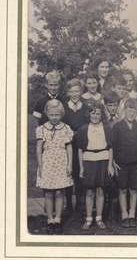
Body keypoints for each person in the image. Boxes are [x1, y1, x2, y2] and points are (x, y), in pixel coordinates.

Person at [36, 99, 74, 234]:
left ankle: (58, 218)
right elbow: (39, 149)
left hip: (61, 163)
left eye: (57, 115)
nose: (54, 118)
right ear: (47, 114)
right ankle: (50, 218)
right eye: (51, 115)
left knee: (59, 192)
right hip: (47, 163)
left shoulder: (66, 128)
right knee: (48, 192)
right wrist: (40, 166)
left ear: (61, 114)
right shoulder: (41, 129)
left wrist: (69, 164)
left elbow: (69, 148)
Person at [77, 101, 113, 230]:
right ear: (88, 114)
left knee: (100, 190)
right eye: (93, 113)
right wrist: (81, 168)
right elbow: (80, 149)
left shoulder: (107, 128)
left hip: (103, 160)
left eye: (98, 113)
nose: (95, 116)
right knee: (89, 191)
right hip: (89, 160)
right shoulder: (83, 129)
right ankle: (88, 218)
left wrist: (110, 165)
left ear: (101, 114)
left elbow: (110, 148)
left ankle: (99, 218)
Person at [112, 99, 137, 228]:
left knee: (134, 189)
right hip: (121, 163)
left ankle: (132, 214)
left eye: (134, 110)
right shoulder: (117, 126)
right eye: (129, 109)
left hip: (136, 163)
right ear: (124, 110)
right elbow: (113, 146)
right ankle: (124, 214)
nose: (131, 112)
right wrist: (113, 162)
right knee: (122, 189)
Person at [62, 78, 89, 214]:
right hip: (67, 145)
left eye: (77, 91)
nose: (75, 94)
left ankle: (80, 203)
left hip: (81, 145)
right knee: (68, 172)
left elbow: (88, 124)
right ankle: (68, 204)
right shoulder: (64, 107)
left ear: (81, 91)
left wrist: (80, 132)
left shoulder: (85, 107)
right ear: (68, 92)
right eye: (72, 91)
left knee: (80, 173)